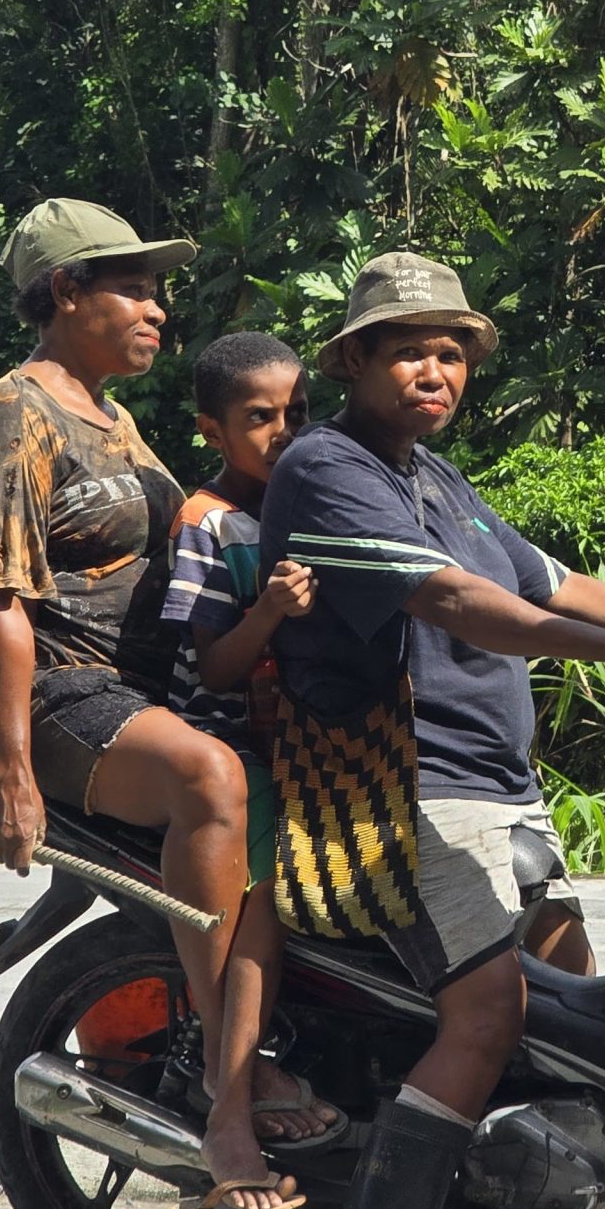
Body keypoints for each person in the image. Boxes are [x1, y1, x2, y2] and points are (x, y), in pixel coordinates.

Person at [257, 252, 605, 1209]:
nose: (435, 373)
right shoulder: (326, 469)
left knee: (575, 1012)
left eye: (452, 355)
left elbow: (556, 585)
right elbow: (455, 600)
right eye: (409, 353)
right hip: (405, 789)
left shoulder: (439, 478)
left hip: (502, 787)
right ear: (354, 362)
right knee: (488, 1017)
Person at [0, 199, 300, 1209]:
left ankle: (281, 1048)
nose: (156, 311)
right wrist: (15, 780)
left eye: (156, 292)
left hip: (142, 694)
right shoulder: (12, 418)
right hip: (63, 695)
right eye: (134, 290)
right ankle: (230, 1092)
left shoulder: (110, 416)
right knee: (210, 779)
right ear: (65, 291)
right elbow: (3, 610)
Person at [161, 331, 347, 1152]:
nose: (284, 433)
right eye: (260, 417)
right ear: (213, 430)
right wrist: (268, 610)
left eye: (297, 414)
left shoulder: (312, 507)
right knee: (272, 893)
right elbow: (214, 668)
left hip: (305, 736)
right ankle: (235, 1069)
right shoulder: (207, 524)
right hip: (229, 741)